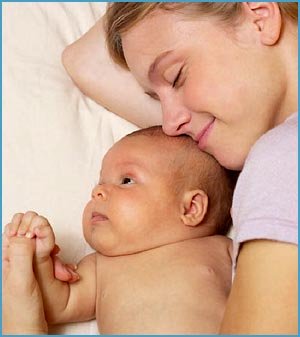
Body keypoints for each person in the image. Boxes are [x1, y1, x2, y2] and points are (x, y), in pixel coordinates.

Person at [62, 2, 298, 334]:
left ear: (259, 17)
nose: (170, 124)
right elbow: (82, 62)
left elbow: (83, 61)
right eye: (156, 99)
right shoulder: (250, 143)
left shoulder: (282, 159)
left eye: (176, 76)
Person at [4, 126, 234, 334]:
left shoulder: (222, 250)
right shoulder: (100, 266)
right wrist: (40, 260)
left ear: (191, 207)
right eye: (99, 183)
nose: (98, 192)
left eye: (126, 180)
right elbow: (57, 307)